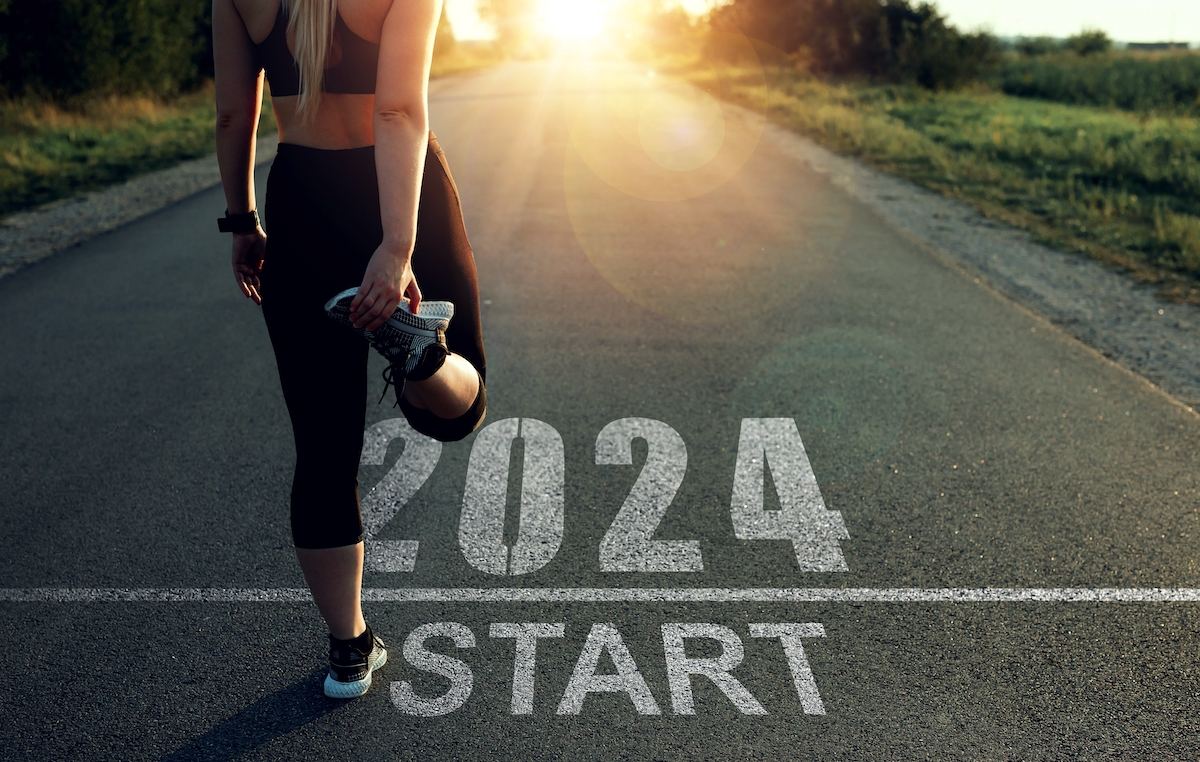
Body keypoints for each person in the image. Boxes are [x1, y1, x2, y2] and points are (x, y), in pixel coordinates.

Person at [212, 0, 486, 699]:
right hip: (398, 193)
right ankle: (421, 357)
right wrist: (396, 249)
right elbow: (397, 112)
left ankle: (348, 652)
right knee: (456, 412)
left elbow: (233, 115)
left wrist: (243, 220)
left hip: (301, 201)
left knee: (325, 448)